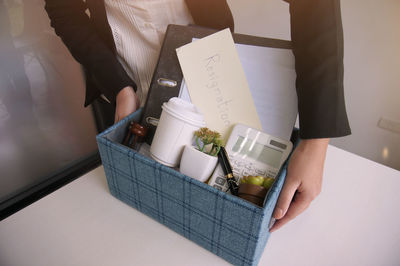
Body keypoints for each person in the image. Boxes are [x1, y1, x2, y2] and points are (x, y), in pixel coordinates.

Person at [44, 0, 351, 232]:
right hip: (128, 89)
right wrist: (121, 88)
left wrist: (315, 141)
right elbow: (63, 12)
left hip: (212, 72)